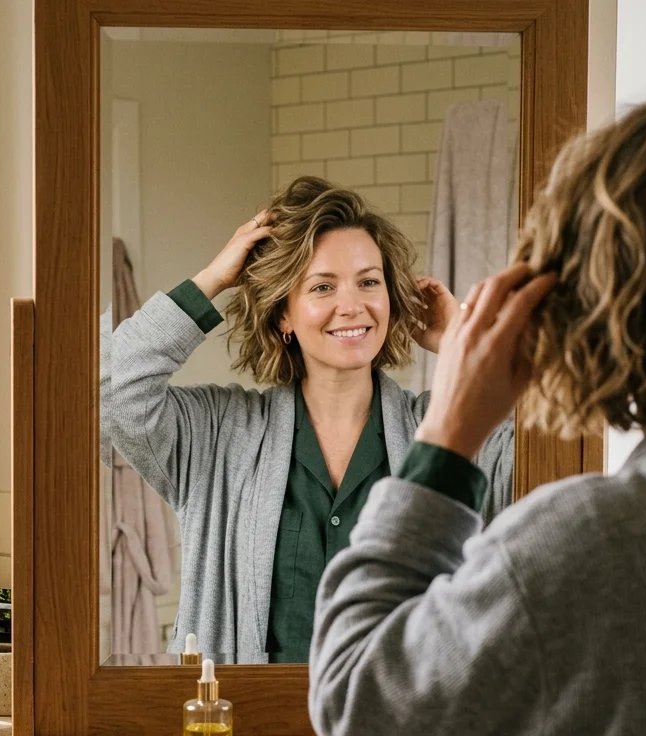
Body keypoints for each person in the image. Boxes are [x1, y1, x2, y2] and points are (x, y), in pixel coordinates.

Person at [308, 89, 646, 736]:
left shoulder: (590, 547)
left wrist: (448, 435)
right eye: (322, 288)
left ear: (583, 298)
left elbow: (356, 694)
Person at [102, 176, 514, 664]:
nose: (352, 306)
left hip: (408, 714)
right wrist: (213, 279)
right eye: (322, 286)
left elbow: (559, 446)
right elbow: (112, 389)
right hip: (248, 714)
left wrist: (466, 345)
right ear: (284, 316)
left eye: (369, 282)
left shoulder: (452, 432)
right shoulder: (218, 436)